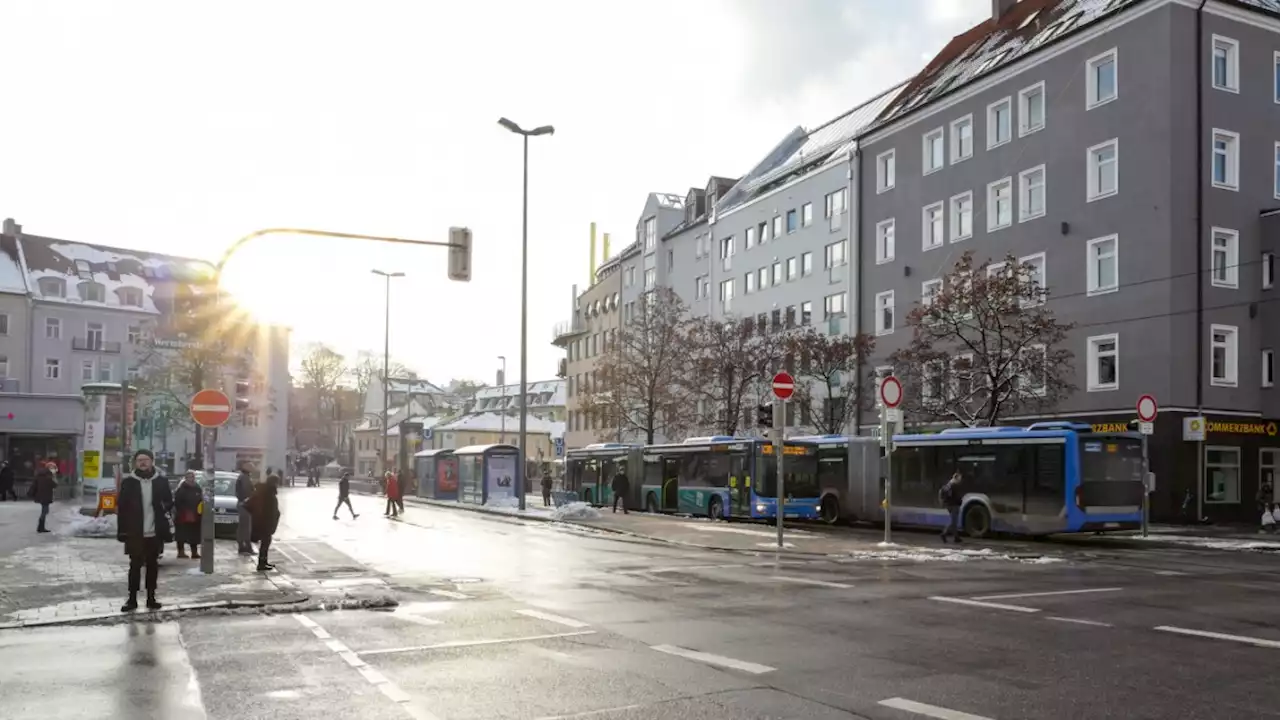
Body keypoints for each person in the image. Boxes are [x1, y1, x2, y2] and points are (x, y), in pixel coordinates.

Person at [117, 449, 173, 611]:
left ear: (152, 461)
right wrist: (122, 532)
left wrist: (163, 507)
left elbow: (169, 502)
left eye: (146, 460)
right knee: (134, 566)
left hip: (155, 531)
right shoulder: (129, 482)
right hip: (135, 532)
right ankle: (132, 599)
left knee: (152, 565)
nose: (143, 462)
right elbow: (122, 509)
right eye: (139, 460)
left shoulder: (161, 481)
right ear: (135, 463)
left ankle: (151, 598)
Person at [246, 475, 281, 572]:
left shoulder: (266, 491)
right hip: (265, 522)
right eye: (277, 482)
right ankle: (261, 564)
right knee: (265, 543)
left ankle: (264, 562)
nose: (278, 485)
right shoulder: (267, 492)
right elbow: (250, 505)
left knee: (266, 542)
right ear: (274, 482)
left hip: (265, 521)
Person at [173, 471, 202, 559]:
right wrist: (183, 510)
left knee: (194, 534)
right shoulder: (181, 489)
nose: (191, 479)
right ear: (185, 478)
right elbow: (177, 502)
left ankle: (194, 552)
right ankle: (181, 552)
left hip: (195, 515)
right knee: (181, 534)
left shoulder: (197, 488)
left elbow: (201, 499)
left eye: (192, 477)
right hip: (183, 515)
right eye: (189, 477)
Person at [29, 461, 57, 533]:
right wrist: (54, 477)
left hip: (41, 495)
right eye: (52, 468)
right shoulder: (48, 475)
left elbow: (34, 484)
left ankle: (41, 527)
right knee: (45, 511)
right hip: (46, 495)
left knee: (44, 511)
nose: (53, 469)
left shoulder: (40, 475)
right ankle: (40, 527)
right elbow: (54, 485)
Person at [235, 464, 255, 556]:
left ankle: (242, 546)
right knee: (246, 527)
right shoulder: (244, 478)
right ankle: (247, 547)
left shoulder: (242, 477)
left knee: (242, 526)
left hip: (242, 503)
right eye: (251, 467)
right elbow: (247, 491)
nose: (253, 468)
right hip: (245, 505)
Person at [938, 471, 964, 543]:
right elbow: (956, 496)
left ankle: (956, 537)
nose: (960, 480)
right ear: (956, 478)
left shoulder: (949, 484)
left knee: (954, 522)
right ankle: (944, 534)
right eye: (959, 478)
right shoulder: (954, 485)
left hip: (949, 505)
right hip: (954, 505)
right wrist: (960, 501)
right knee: (953, 522)